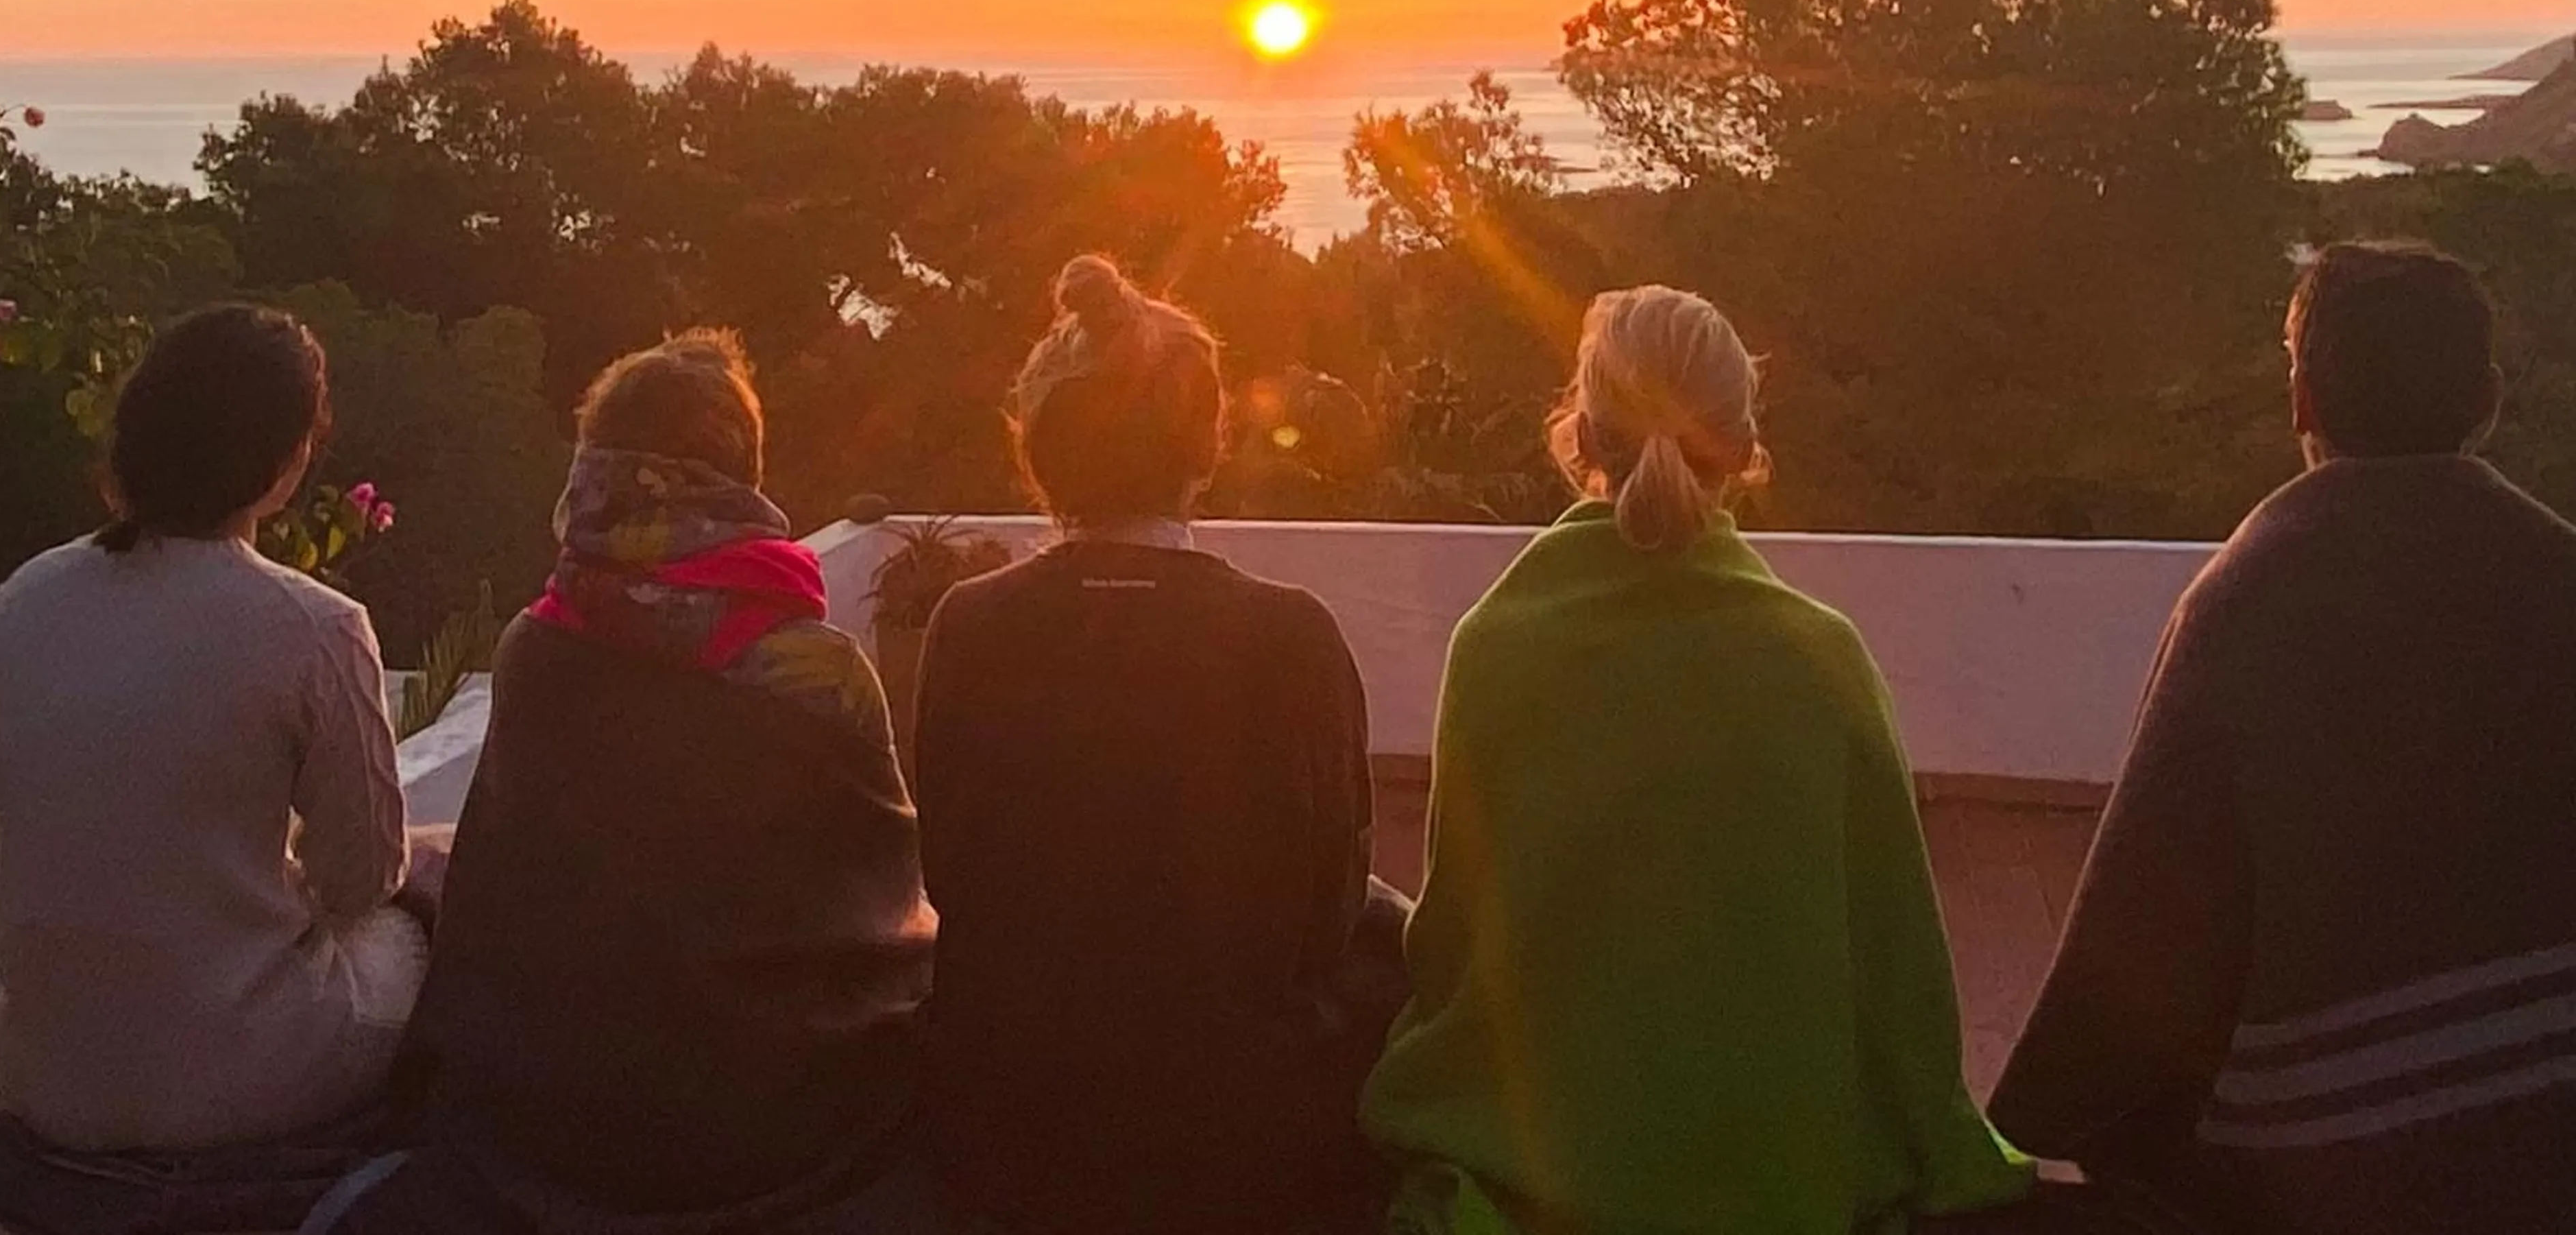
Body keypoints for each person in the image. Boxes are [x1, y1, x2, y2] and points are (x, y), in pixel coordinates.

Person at [1361, 285, 2036, 1235]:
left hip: (1540, 1183)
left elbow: (1459, 951)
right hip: (1786, 1180)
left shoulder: (1495, 647)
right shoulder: (1820, 658)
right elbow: (1899, 969)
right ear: (1745, 448)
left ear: (1582, 439)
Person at [1992, 241, 2576, 1235]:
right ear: (2485, 397)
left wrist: (2044, 1105)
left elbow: (2145, 940)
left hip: (2318, 1179)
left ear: (2302, 398)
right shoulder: (2557, 576)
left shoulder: (2247, 603)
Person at [331, 330, 935, 1232]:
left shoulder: (539, 647)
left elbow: (512, 900)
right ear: (740, 476)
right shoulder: (819, 670)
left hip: (558, 1118)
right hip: (780, 1123)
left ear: (595, 474)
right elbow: (885, 906)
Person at [912, 255, 1402, 1235]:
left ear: (1039, 451)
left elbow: (951, 874)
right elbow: (1328, 909)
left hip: (1012, 1138)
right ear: (1205, 443)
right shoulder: (1289, 636)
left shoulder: (970, 626)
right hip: (1241, 1151)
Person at [0, 305, 424, 1151]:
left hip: (44, 1069)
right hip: (226, 1081)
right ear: (286, 466)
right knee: (412, 931)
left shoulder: (23, 599)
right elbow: (361, 881)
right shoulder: (316, 627)